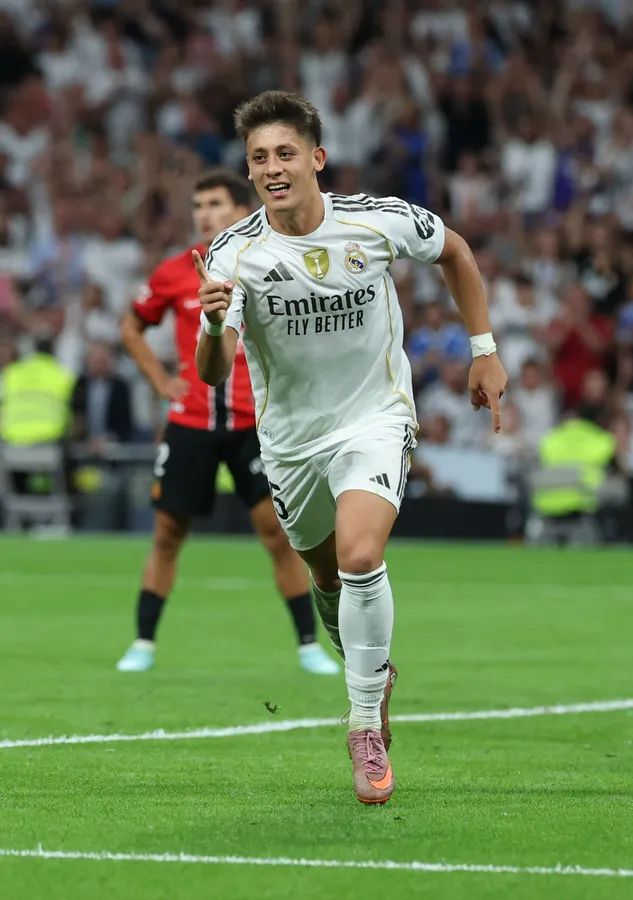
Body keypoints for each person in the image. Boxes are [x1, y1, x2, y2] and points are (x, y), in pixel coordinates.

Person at [194, 91, 506, 805]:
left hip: (374, 417)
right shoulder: (236, 252)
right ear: (250, 173)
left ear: (316, 159)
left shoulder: (376, 219)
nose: (273, 168)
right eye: (259, 159)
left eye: (285, 154)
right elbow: (217, 372)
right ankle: (373, 670)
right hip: (292, 443)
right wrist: (212, 327)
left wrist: (483, 350)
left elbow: (454, 251)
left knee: (363, 555)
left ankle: (364, 724)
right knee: (329, 582)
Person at [116, 171, 340, 677]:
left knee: (277, 533)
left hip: (253, 424)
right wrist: (159, 380)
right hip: (191, 422)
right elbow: (131, 325)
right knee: (168, 532)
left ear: (241, 210)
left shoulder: (269, 262)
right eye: (198, 204)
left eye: (215, 203)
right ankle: (143, 643)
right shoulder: (175, 272)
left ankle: (308, 645)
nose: (204, 213)